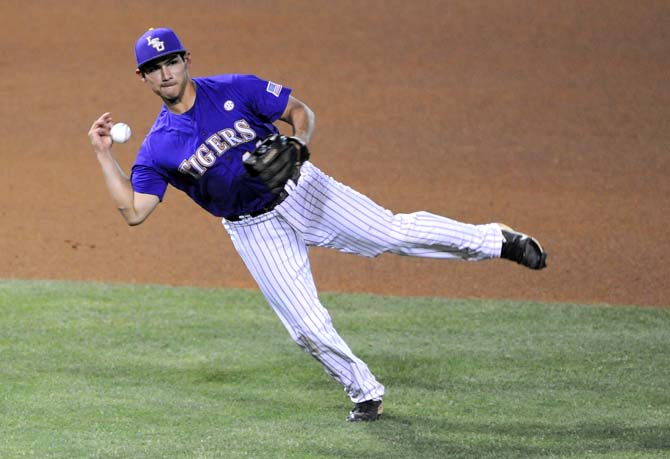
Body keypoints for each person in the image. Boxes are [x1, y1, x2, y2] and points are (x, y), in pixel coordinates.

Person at [88, 27, 547, 422]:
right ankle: (365, 392)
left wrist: (299, 143)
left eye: (170, 61)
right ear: (143, 77)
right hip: (253, 229)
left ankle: (495, 240)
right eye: (154, 67)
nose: (165, 72)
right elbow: (133, 211)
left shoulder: (236, 87)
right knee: (305, 327)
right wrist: (104, 154)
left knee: (393, 234)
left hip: (307, 190)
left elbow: (300, 111)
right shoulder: (156, 148)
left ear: (186, 60)